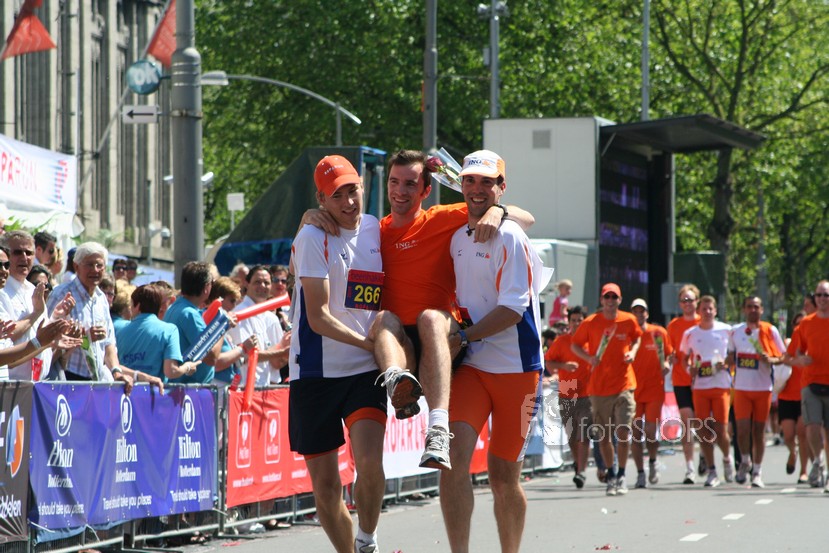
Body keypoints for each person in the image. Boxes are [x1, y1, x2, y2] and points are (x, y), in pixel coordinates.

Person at [301, 149, 534, 471]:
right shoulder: (373, 230)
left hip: (441, 338)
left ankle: (437, 429)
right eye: (394, 182)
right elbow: (321, 238)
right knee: (383, 318)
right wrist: (308, 217)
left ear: (425, 190)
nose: (400, 191)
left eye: (410, 184)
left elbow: (527, 218)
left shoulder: (443, 218)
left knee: (429, 318)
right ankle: (398, 383)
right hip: (399, 343)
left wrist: (499, 211)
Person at [438, 149, 543, 553]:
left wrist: (463, 337)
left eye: (487, 182)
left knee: (503, 477)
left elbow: (512, 311)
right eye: (470, 180)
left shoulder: (511, 236)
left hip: (519, 370)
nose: (477, 189)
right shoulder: (455, 236)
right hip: (474, 368)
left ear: (502, 188)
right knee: (452, 460)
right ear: (461, 184)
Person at [288, 155, 387, 553]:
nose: (348, 202)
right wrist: (370, 343)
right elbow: (318, 318)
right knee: (327, 488)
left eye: (353, 191)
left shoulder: (376, 228)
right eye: (337, 196)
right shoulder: (313, 237)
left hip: (364, 372)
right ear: (321, 200)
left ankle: (367, 538)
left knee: (370, 464)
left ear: (363, 187)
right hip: (315, 372)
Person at [47, 242, 163, 394]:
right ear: (76, 267)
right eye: (89, 265)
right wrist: (83, 337)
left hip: (96, 382)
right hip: (67, 379)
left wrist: (116, 372)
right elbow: (45, 342)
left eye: (99, 265)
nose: (95, 270)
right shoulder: (61, 294)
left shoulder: (101, 298)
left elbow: (109, 344)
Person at [570, 283, 642, 496]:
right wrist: (588, 358)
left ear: (620, 300)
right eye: (607, 297)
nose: (610, 300)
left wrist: (633, 352)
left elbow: (637, 338)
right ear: (602, 300)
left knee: (623, 431)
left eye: (614, 297)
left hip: (624, 385)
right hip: (599, 388)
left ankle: (622, 475)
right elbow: (575, 345)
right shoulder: (591, 322)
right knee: (604, 437)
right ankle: (611, 474)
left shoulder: (628, 320)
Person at [729, 296, 785, 488]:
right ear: (744, 309)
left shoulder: (770, 330)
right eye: (749, 306)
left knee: (759, 431)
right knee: (742, 430)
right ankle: (745, 460)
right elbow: (730, 355)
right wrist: (726, 361)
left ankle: (757, 472)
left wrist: (771, 360)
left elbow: (783, 356)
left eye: (756, 307)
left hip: (763, 389)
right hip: (742, 389)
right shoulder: (735, 331)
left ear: (762, 310)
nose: (753, 310)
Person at [679, 295, 734, 487]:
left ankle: (727, 457)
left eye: (711, 309)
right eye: (704, 309)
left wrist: (726, 363)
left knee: (720, 429)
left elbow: (733, 354)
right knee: (703, 430)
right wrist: (690, 370)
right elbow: (684, 359)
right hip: (700, 386)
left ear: (715, 311)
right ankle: (712, 470)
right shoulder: (690, 333)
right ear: (699, 312)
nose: (708, 312)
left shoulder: (726, 330)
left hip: (721, 385)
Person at [787, 280, 829, 491]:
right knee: (811, 427)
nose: (822, 299)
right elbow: (791, 356)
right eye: (818, 295)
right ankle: (818, 461)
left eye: (826, 295)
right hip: (811, 382)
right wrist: (800, 360)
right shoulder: (806, 324)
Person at [544, 305, 592, 488]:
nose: (577, 323)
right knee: (572, 437)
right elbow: (549, 363)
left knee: (584, 435)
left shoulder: (591, 341)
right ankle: (578, 464)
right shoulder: (562, 341)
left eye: (580, 320)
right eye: (573, 320)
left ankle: (581, 472)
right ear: (569, 322)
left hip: (588, 395)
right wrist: (564, 366)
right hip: (566, 395)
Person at [164, 261, 234, 384]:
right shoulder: (189, 314)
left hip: (181, 386)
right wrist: (223, 326)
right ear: (206, 288)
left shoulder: (175, 308)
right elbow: (211, 358)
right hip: (189, 389)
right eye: (212, 283)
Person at [629, 298, 672, 488]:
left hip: (654, 388)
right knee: (635, 434)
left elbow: (668, 354)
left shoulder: (658, 333)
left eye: (642, 311)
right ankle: (640, 473)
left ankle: (653, 461)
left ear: (647, 313)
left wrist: (666, 363)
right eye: (636, 311)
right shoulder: (627, 334)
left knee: (650, 432)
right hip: (633, 390)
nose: (639, 314)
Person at [116, 285, 200, 382]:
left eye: (131, 305)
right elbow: (171, 371)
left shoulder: (120, 331)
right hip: (155, 390)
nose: (130, 309)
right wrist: (187, 367)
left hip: (126, 389)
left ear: (137, 306)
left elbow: (114, 366)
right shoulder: (169, 330)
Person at [229, 265, 290, 386]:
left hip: (268, 388)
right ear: (247, 284)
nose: (262, 286)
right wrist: (282, 352)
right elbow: (246, 355)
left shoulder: (271, 318)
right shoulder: (239, 314)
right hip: (245, 388)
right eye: (257, 282)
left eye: (266, 283)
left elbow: (276, 363)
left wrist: (287, 346)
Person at [667, 284, 703, 483]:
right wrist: (671, 358)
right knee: (687, 421)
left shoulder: (703, 322)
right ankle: (690, 467)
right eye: (684, 300)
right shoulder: (674, 325)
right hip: (681, 379)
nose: (687, 304)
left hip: (703, 379)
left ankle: (705, 454)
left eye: (690, 300)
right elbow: (669, 351)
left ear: (697, 301)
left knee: (702, 422)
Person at [778, 310, 810, 483]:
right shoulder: (788, 343)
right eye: (797, 324)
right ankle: (793, 452)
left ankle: (803, 471)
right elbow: (783, 359)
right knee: (789, 435)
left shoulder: (813, 342)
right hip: (787, 395)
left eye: (803, 323)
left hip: (805, 394)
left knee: (802, 433)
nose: (800, 327)